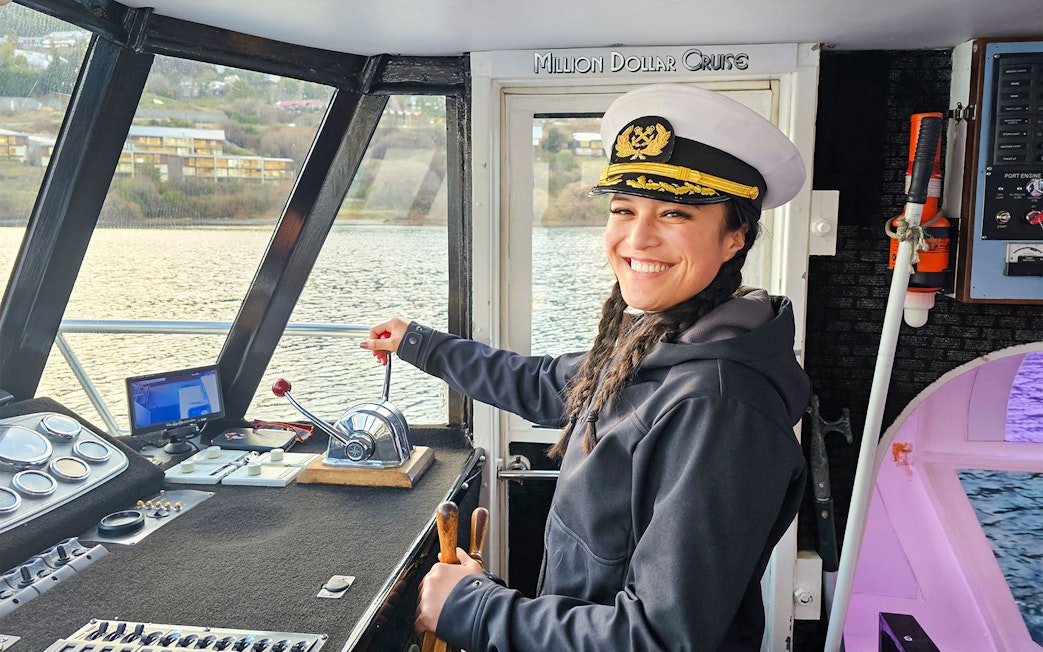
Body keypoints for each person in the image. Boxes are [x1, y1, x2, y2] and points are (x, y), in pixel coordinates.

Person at [360, 83, 811, 651]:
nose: (638, 237)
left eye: (674, 213)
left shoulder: (718, 405)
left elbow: (658, 638)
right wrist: (418, 344)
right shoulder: (665, 339)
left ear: (734, 238)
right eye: (624, 210)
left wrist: (473, 610)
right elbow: (547, 384)